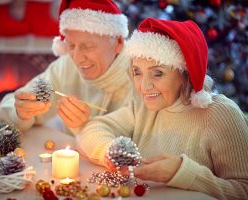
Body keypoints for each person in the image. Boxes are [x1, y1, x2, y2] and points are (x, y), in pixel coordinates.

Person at [76, 18, 248, 199]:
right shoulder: (143, 106)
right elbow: (93, 129)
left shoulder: (220, 114)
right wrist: (110, 152)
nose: (144, 86)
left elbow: (244, 190)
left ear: (185, 73)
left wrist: (181, 172)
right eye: (137, 72)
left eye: (157, 73)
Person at [0, 0, 134, 135]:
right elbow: (12, 103)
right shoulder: (66, 66)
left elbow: (143, 148)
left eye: (87, 46)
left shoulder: (142, 75)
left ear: (118, 42)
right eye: (71, 46)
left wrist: (85, 127)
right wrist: (21, 113)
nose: (77, 59)